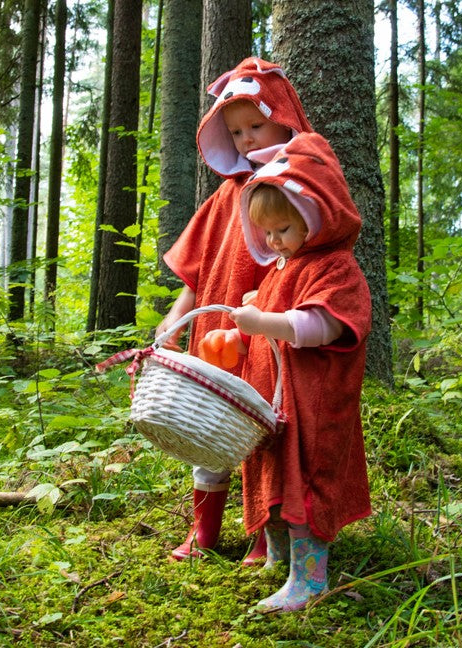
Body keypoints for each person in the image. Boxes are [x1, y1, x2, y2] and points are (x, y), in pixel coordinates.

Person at [200, 132, 372, 612]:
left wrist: (266, 320)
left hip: (313, 405)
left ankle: (309, 579)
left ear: (316, 219)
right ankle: (279, 560)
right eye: (267, 232)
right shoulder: (282, 267)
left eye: (284, 229)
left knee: (306, 481)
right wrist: (245, 330)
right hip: (274, 402)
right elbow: (270, 325)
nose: (274, 241)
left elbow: (324, 324)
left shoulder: (336, 268)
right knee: (271, 474)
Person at [158, 57, 313, 563]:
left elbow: (312, 255)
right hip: (216, 332)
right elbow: (197, 266)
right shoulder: (226, 195)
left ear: (283, 118)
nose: (246, 138)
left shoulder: (296, 191)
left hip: (265, 333)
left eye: (255, 125)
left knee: (259, 429)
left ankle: (260, 534)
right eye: (236, 131)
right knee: (209, 426)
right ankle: (203, 532)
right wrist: (176, 314)